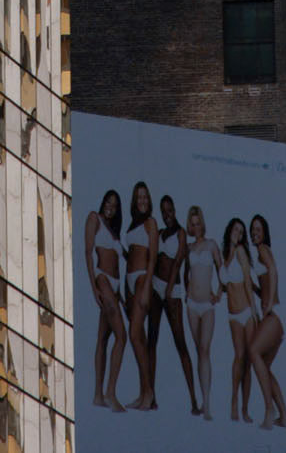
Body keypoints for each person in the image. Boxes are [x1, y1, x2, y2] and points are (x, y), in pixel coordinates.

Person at [146, 193, 200, 414]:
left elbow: (178, 263)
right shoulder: (160, 233)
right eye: (163, 211)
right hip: (156, 286)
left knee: (181, 343)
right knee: (151, 341)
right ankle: (151, 396)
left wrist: (168, 290)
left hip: (172, 290)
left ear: (174, 211)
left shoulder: (181, 233)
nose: (167, 215)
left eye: (169, 211)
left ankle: (194, 401)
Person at [247, 213, 286, 431]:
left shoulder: (264, 250)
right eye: (252, 229)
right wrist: (254, 289)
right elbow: (265, 282)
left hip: (274, 314)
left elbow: (273, 271)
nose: (254, 232)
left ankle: (269, 410)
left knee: (253, 352)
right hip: (275, 314)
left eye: (258, 229)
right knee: (263, 366)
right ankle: (284, 416)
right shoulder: (259, 253)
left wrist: (269, 303)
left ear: (264, 232)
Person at [84, 190, 127, 410]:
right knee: (122, 336)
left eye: (115, 205)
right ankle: (111, 392)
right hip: (103, 280)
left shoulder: (114, 231)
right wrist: (94, 288)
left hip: (116, 287)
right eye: (108, 203)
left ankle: (98, 395)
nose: (111, 207)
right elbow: (88, 252)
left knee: (102, 339)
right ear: (103, 203)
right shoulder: (94, 218)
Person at [183, 204, 222, 421]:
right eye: (192, 224)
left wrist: (219, 293)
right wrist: (185, 290)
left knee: (205, 350)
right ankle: (201, 397)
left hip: (207, 305)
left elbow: (222, 271)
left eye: (198, 223)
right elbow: (184, 274)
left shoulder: (212, 245)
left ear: (202, 224)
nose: (196, 227)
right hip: (191, 305)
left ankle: (207, 403)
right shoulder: (188, 248)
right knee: (199, 351)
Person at [123, 180, 159, 409]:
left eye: (145, 197)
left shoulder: (151, 223)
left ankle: (149, 393)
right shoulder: (133, 225)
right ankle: (144, 393)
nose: (142, 201)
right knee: (140, 340)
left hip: (142, 280)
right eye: (139, 197)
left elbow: (152, 257)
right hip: (130, 281)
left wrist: (146, 287)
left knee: (135, 335)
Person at [220, 216, 258, 424]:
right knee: (239, 356)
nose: (239, 234)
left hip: (246, 311)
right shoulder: (226, 253)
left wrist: (254, 311)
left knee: (248, 360)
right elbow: (223, 282)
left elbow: (247, 283)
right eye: (236, 230)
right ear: (230, 231)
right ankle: (234, 400)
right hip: (233, 314)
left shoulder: (241, 251)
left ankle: (245, 408)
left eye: (242, 232)